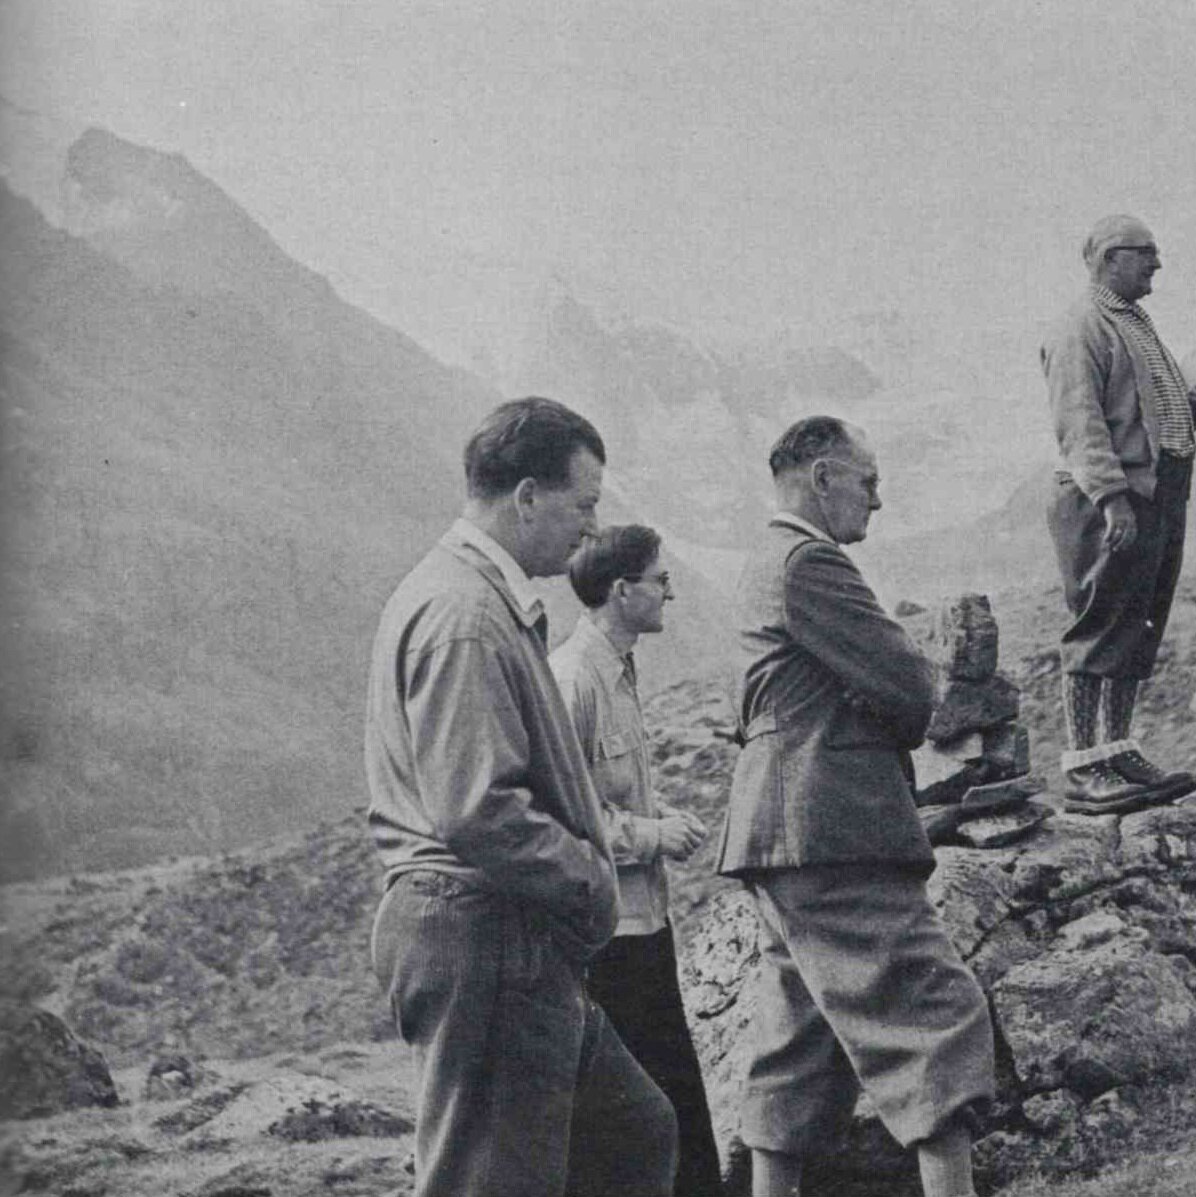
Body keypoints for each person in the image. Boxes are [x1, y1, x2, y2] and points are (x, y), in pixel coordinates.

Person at [364, 397, 676, 1197]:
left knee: (636, 1128)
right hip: (487, 932)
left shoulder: (471, 597)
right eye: (583, 504)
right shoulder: (465, 613)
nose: (590, 527)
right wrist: (589, 879)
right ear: (527, 495)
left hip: (499, 936)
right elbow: (478, 807)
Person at [715, 416, 995, 1197]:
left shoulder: (760, 563)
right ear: (823, 477)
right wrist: (882, 695)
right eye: (868, 482)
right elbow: (911, 688)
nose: (878, 499)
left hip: (779, 835)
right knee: (936, 1013)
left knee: (796, 1041)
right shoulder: (810, 563)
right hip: (830, 828)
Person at [550, 524, 723, 1197]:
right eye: (658, 579)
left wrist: (658, 820)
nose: (669, 590)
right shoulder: (572, 680)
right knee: (636, 1123)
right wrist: (653, 835)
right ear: (622, 591)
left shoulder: (616, 670)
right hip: (607, 939)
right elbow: (565, 816)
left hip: (646, 926)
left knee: (676, 1105)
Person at [1041, 214, 1196, 813]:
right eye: (1146, 254)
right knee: (1101, 624)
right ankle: (1084, 765)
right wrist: (1112, 501)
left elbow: (1130, 413)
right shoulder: (1081, 327)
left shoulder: (1131, 321)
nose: (1157, 264)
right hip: (1107, 502)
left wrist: (1184, 409)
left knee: (1138, 622)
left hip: (1157, 492)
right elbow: (1081, 426)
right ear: (1110, 258)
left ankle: (1116, 751)